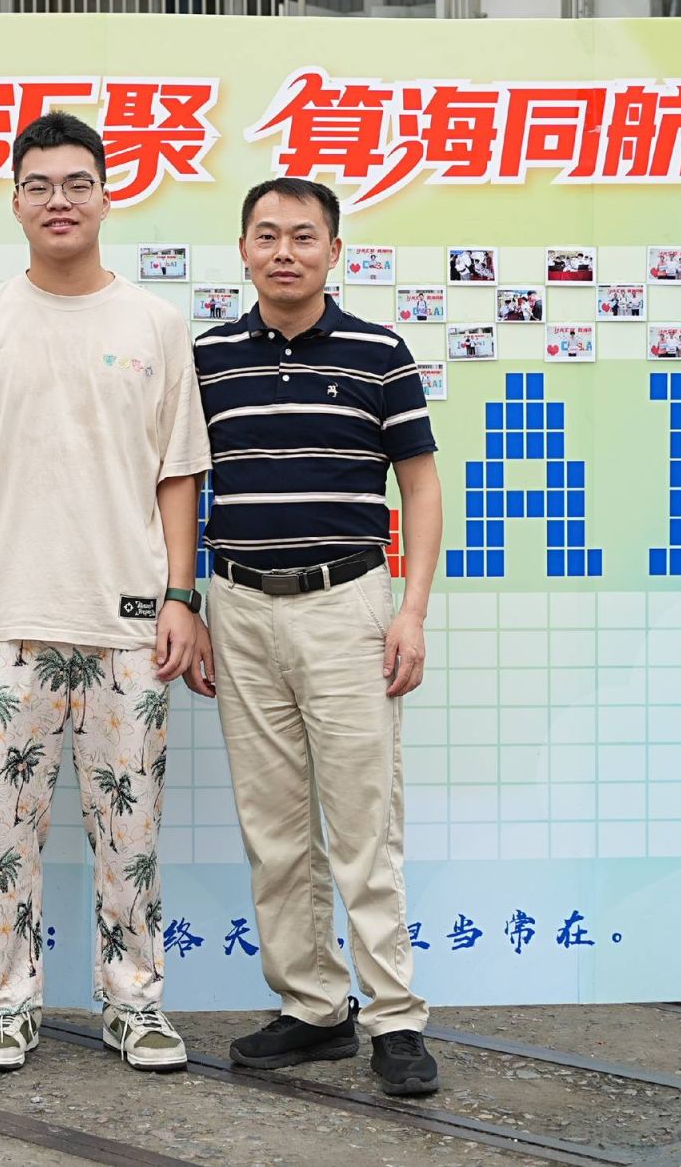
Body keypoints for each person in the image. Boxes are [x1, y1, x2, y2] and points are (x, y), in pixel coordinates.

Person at [0, 111, 211, 1073]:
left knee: (131, 832)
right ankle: (6, 1005)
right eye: (40, 185)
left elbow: (179, 471)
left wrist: (180, 596)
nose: (60, 200)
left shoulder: (156, 324)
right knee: (3, 831)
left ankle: (135, 1003)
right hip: (7, 618)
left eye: (77, 183)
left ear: (106, 195)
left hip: (128, 623)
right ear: (14, 202)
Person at [194, 177, 444, 1098]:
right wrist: (187, 602)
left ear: (335, 252)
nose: (284, 252)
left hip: (348, 607)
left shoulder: (379, 352)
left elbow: (420, 485)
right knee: (275, 828)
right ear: (244, 250)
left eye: (304, 236)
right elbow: (179, 485)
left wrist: (412, 611)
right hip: (239, 605)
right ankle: (312, 1008)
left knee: (364, 825)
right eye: (267, 236)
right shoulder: (208, 358)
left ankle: (394, 1020)